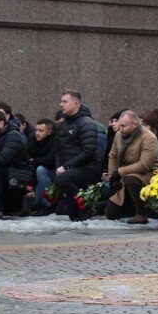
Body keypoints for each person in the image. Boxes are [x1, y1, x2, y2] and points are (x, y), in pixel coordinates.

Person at [52, 90, 103, 220]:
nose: (61, 104)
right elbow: (58, 150)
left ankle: (87, 207)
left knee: (62, 180)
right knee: (72, 216)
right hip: (71, 170)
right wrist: (59, 169)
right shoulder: (63, 124)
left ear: (75, 103)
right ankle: (83, 209)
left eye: (65, 101)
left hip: (88, 168)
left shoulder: (86, 122)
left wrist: (66, 167)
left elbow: (89, 151)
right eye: (61, 101)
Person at [105, 110, 158, 224]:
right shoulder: (118, 135)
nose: (120, 129)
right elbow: (112, 156)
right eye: (120, 125)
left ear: (134, 124)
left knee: (131, 180)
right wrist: (112, 176)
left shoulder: (149, 137)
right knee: (110, 214)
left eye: (124, 126)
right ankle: (132, 207)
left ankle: (142, 214)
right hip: (125, 175)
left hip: (147, 175)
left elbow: (144, 165)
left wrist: (119, 172)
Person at [28, 119, 58, 215]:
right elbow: (27, 159)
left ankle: (48, 205)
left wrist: (34, 160)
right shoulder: (34, 139)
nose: (37, 133)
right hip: (37, 176)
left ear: (49, 132)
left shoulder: (56, 141)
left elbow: (49, 161)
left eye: (41, 131)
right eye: (36, 130)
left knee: (41, 170)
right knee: (34, 204)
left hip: (54, 173)